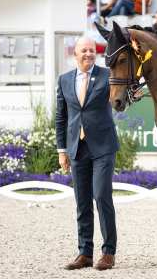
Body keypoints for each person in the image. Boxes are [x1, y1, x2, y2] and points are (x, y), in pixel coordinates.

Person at [55, 37, 120, 271]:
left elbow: (120, 96)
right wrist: (62, 150)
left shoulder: (107, 75)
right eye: (84, 51)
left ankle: (108, 252)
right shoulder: (64, 80)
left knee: (101, 196)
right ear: (76, 54)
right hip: (76, 148)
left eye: (92, 51)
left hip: (103, 147)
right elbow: (61, 117)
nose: (88, 54)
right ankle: (85, 253)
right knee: (82, 202)